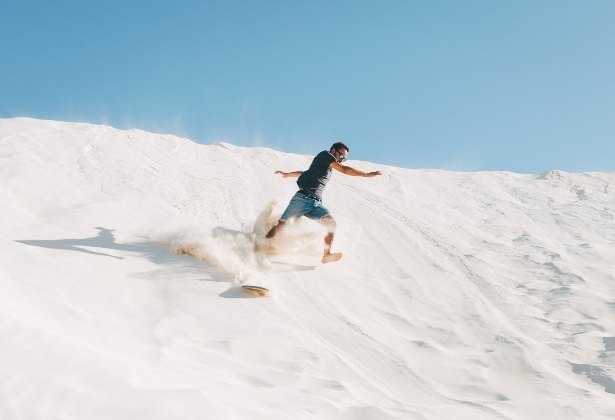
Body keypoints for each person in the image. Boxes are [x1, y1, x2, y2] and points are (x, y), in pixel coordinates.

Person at [266, 142, 382, 263]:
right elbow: (344, 171)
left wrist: (287, 174)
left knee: (331, 223)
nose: (342, 160)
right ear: (333, 151)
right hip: (302, 199)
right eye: (341, 156)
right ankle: (260, 244)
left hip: (316, 203)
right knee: (282, 226)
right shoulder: (325, 155)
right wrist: (368, 174)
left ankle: (326, 254)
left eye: (344, 158)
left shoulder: (325, 167)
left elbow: (306, 174)